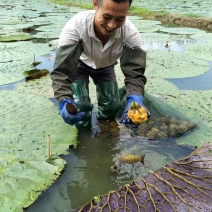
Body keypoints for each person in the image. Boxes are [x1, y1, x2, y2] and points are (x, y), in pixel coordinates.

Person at [51, 0, 150, 130]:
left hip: (106, 66)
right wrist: (64, 99)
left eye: (120, 19)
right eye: (106, 17)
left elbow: (135, 74)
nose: (112, 25)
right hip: (79, 63)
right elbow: (62, 71)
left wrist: (135, 97)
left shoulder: (130, 34)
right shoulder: (75, 28)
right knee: (80, 105)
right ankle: (84, 135)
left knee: (112, 105)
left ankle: (106, 130)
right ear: (95, 4)